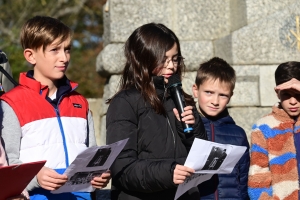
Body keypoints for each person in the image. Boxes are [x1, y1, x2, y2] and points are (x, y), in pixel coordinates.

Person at [0, 16, 110, 199]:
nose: (64, 57)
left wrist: (99, 175)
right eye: (54, 50)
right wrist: (36, 177)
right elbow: (8, 165)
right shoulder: (11, 102)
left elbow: (92, 154)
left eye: (67, 49)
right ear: (30, 55)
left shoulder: (80, 102)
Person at [105, 23, 207, 200]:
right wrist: (168, 173)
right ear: (144, 59)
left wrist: (194, 128)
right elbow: (122, 167)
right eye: (163, 59)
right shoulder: (125, 103)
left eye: (175, 59)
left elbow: (201, 156)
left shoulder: (183, 99)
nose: (171, 67)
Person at [192, 57, 250, 199]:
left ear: (230, 96)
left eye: (223, 95)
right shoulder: (185, 128)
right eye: (209, 92)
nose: (215, 101)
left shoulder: (238, 134)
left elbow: (244, 181)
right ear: (195, 90)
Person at [248, 61, 300, 199]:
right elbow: (258, 176)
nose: (293, 101)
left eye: (298, 94)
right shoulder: (264, 127)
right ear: (277, 93)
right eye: (286, 94)